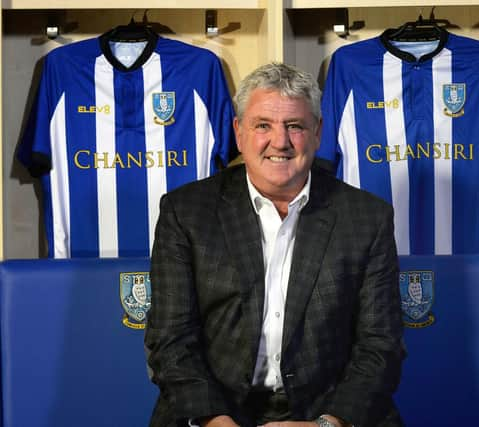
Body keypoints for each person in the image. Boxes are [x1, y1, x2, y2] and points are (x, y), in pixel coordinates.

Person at [145, 62, 405, 427]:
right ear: (239, 133)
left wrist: (328, 424)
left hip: (327, 410)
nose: (279, 141)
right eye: (263, 125)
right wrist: (215, 422)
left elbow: (380, 347)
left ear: (317, 133)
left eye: (294, 126)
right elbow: (170, 340)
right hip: (214, 410)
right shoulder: (186, 212)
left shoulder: (367, 218)